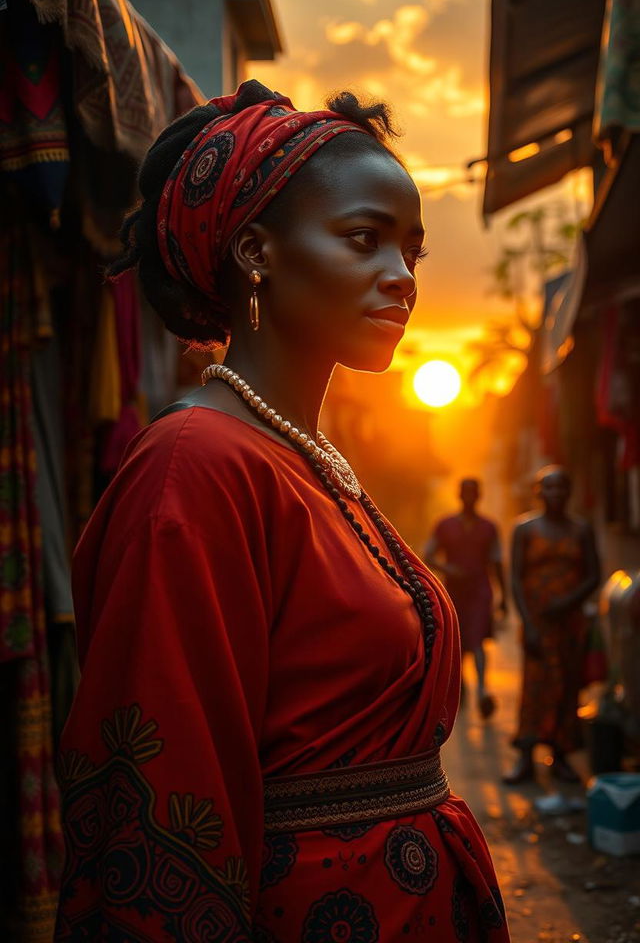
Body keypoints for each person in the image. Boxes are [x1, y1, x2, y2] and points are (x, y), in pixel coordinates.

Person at [54, 81, 509, 942]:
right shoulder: (195, 468)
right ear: (256, 251)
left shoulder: (307, 460)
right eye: (364, 239)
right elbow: (163, 796)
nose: (401, 277)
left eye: (414, 251)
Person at [502, 466, 600, 812]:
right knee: (535, 686)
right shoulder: (525, 529)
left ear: (569, 492)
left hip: (569, 623)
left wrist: (568, 602)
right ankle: (526, 757)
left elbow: (594, 575)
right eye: (548, 487)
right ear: (537, 492)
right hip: (537, 622)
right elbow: (515, 578)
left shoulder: (581, 529)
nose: (555, 493)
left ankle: (559, 755)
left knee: (567, 686)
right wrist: (527, 622)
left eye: (561, 487)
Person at [425, 478, 507, 719]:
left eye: (474, 492)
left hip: (480, 589)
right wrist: (448, 569)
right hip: (454, 590)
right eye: (466, 492)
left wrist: (504, 598)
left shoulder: (489, 527)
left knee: (479, 638)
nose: (469, 496)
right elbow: (428, 554)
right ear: (459, 495)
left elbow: (497, 561)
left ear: (479, 495)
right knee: (457, 640)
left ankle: (482, 690)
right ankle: (460, 686)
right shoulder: (444, 525)